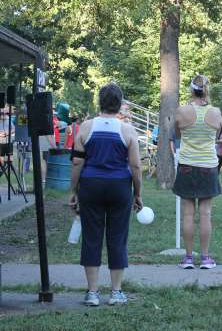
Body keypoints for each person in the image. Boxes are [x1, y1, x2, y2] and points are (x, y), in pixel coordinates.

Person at [68, 82, 143, 306]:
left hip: (91, 187)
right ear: (120, 104)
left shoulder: (86, 127)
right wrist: (137, 193)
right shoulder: (128, 130)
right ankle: (116, 292)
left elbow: (76, 162)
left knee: (92, 237)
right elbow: (136, 167)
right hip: (119, 187)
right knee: (117, 237)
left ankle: (92, 293)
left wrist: (74, 191)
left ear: (99, 102)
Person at [173, 75, 221, 270]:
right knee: (205, 214)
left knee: (187, 214)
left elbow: (177, 135)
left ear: (191, 89)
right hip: (208, 166)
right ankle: (206, 258)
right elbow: (215, 136)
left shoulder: (182, 111)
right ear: (207, 90)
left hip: (186, 165)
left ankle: (188, 258)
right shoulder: (216, 112)